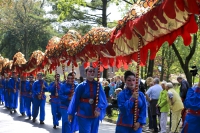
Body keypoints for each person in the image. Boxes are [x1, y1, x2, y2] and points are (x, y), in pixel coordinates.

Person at [68, 66, 108, 133]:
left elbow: (103, 99)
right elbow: (75, 100)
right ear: (86, 73)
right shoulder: (81, 86)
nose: (92, 72)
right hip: (83, 114)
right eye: (90, 71)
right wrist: (71, 113)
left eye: (93, 71)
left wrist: (98, 108)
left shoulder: (98, 85)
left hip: (94, 114)